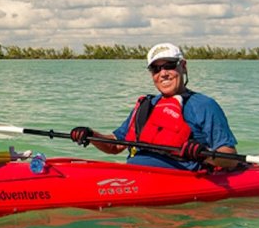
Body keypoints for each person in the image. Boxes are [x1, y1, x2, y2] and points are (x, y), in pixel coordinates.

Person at [69, 43, 238, 170]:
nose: (163, 73)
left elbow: (230, 156)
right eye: (156, 69)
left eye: (169, 65)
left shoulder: (204, 105)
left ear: (183, 66)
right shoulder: (146, 105)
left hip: (179, 179)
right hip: (134, 174)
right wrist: (91, 135)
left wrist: (202, 155)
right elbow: (115, 145)